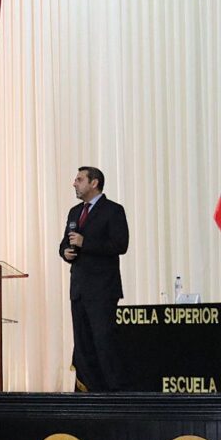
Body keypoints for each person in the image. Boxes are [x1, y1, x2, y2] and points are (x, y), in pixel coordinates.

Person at [58, 166, 129, 392]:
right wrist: (65, 252)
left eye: (79, 179)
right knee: (82, 344)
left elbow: (120, 245)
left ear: (94, 183)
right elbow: (65, 243)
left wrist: (84, 243)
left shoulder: (113, 211)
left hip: (102, 290)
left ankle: (112, 395)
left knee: (104, 343)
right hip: (78, 289)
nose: (74, 183)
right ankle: (87, 394)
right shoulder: (74, 212)